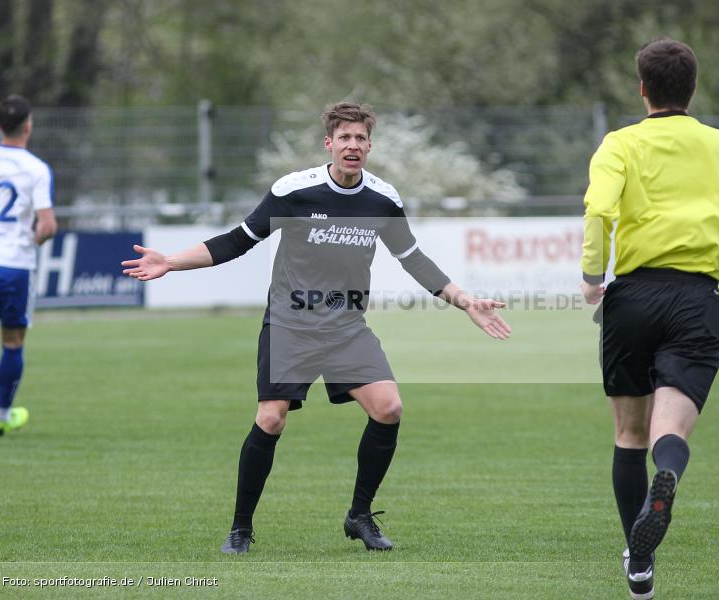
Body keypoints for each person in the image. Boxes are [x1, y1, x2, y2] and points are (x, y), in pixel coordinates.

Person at [122, 101, 511, 554]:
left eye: (360, 138)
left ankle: (359, 516)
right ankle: (241, 529)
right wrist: (170, 261)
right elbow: (237, 241)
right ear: (329, 144)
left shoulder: (382, 199)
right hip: (291, 322)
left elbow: (412, 259)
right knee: (271, 418)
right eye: (344, 137)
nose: (352, 145)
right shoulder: (294, 191)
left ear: (369, 146)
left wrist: (463, 300)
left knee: (388, 408)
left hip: (346, 325)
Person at [579, 39, 719, 599]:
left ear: (642, 88)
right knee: (666, 431)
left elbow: (599, 210)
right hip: (698, 298)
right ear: (692, 88)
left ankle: (639, 561)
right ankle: (666, 476)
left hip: (633, 299)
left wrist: (591, 274)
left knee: (627, 433)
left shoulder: (619, 143)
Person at [0, 95, 57, 437]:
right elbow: (47, 226)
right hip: (14, 265)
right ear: (28, 126)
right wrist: (30, 241)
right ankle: (2, 414)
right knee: (12, 341)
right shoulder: (36, 169)